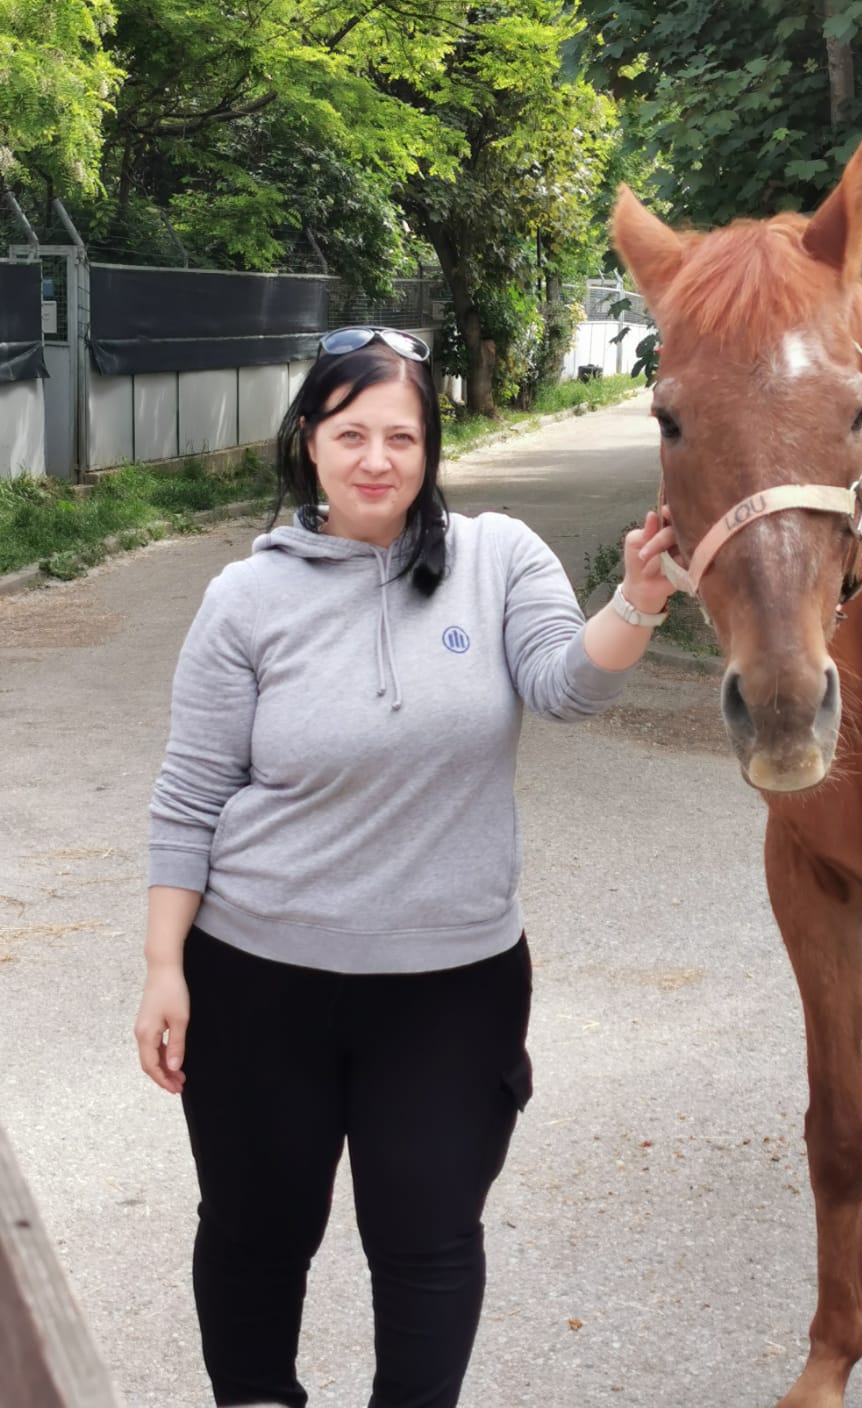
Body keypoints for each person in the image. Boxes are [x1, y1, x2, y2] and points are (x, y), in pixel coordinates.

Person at [133, 327, 676, 1408]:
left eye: (402, 436)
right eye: (351, 435)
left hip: (451, 987)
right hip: (257, 975)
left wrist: (640, 600)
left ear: (432, 447)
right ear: (309, 443)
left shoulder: (498, 558)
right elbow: (189, 797)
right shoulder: (244, 600)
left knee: (427, 1239)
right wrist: (163, 967)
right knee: (254, 1230)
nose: (376, 458)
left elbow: (568, 686)